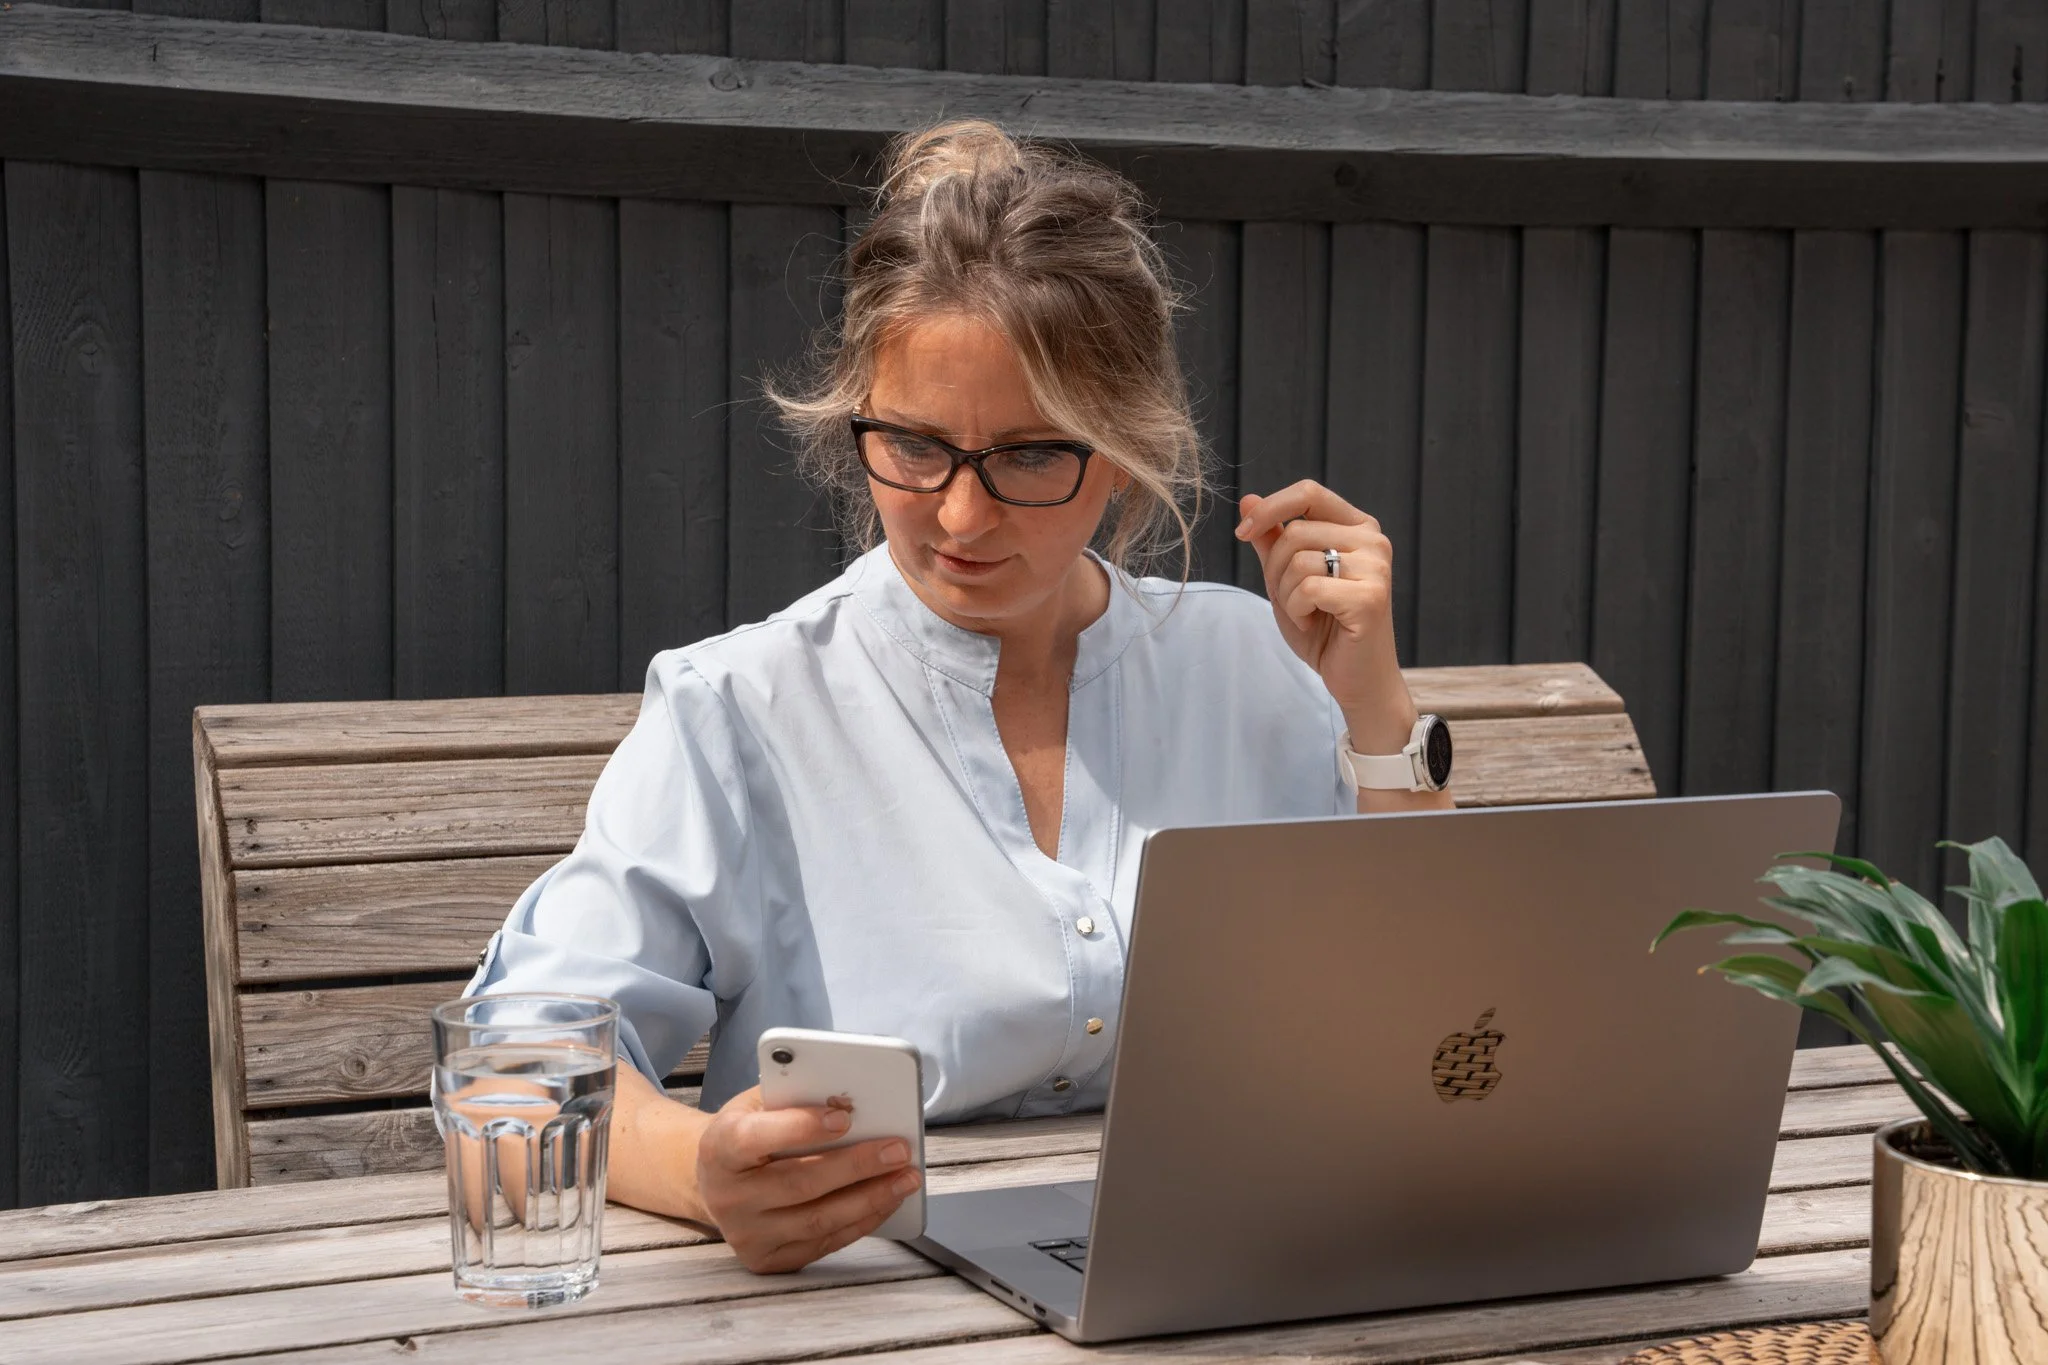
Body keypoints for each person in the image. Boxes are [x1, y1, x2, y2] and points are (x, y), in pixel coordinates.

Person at [464, 120, 1453, 1274]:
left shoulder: (1250, 667)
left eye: (1032, 456)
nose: (960, 518)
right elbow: (513, 1067)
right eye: (915, 447)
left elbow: (1435, 1027)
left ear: (1125, 452)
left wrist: (1373, 712)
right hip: (857, 1300)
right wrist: (703, 1176)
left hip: (1245, 1266)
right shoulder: (741, 707)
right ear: (854, 426)